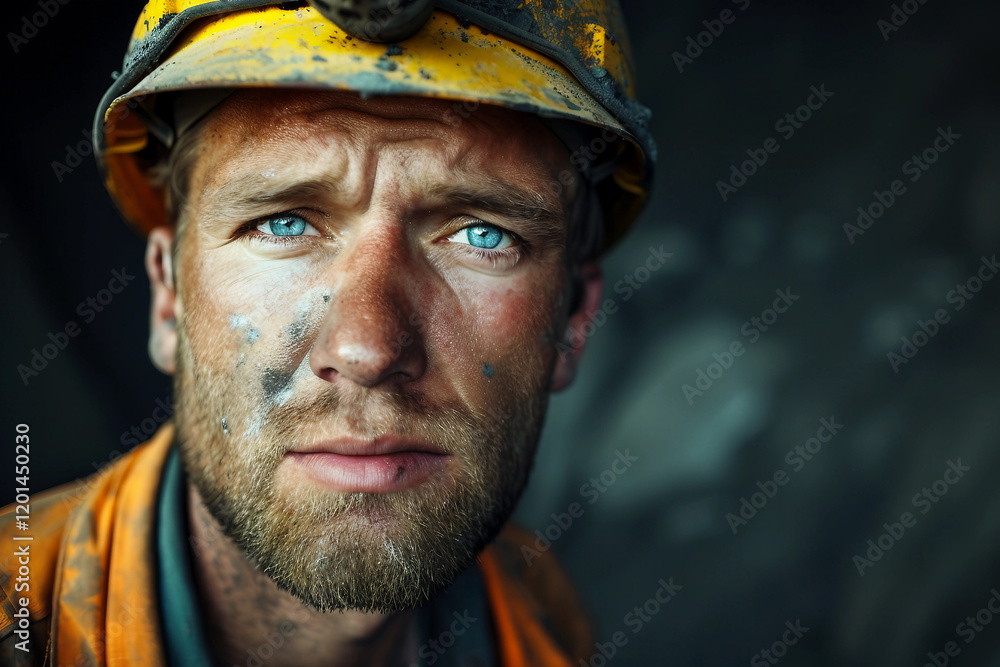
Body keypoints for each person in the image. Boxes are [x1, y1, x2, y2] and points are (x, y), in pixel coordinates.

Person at [0, 1, 654, 664]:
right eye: (283, 224)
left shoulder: (542, 617)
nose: (368, 350)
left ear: (574, 319)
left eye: (482, 236)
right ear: (168, 295)